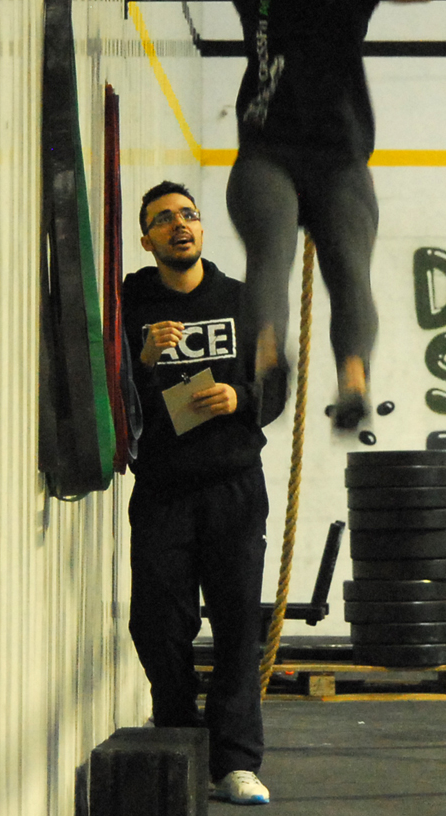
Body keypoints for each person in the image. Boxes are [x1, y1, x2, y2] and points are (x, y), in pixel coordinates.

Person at [147, 0, 445, 432]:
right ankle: (266, 360)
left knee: (350, 271)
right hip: (268, 149)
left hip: (342, 154)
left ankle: (353, 382)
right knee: (271, 254)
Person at [122, 181, 285, 806]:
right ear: (147, 241)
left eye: (187, 215)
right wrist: (143, 356)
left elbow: (277, 383)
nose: (179, 225)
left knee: (238, 627)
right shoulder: (131, 303)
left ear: (201, 228)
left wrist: (240, 397)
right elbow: (109, 385)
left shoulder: (243, 302)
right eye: (163, 220)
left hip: (232, 486)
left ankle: (236, 763)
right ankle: (180, 738)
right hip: (162, 488)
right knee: (157, 624)